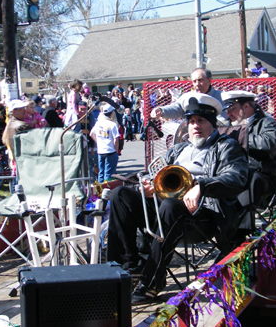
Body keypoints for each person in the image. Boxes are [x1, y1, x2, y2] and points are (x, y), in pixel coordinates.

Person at [106, 94, 249, 302]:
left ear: (212, 123)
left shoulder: (227, 146)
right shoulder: (179, 148)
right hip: (167, 211)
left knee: (171, 206)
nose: (195, 126)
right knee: (121, 195)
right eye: (191, 122)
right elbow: (153, 172)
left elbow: (237, 178)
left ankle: (152, 280)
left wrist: (202, 186)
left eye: (201, 121)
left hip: (204, 214)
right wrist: (147, 184)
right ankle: (128, 267)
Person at [222, 89, 276, 203]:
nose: (228, 114)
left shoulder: (268, 123)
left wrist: (239, 136)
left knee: (248, 178)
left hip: (260, 175)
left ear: (246, 107)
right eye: (227, 110)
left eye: (232, 109)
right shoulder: (228, 126)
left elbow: (268, 145)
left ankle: (248, 217)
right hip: (233, 171)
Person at [151, 68, 225, 122]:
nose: (197, 84)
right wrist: (162, 110)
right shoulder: (187, 98)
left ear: (209, 80)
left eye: (200, 80)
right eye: (194, 81)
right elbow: (176, 108)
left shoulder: (222, 97)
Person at [91, 103, 120, 182]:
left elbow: (91, 134)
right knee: (109, 174)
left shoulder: (98, 123)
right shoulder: (113, 124)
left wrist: (99, 142)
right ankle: (106, 189)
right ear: (112, 113)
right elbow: (116, 139)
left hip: (101, 150)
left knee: (101, 172)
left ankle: (100, 189)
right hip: (110, 150)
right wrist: (116, 150)